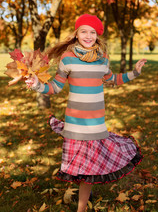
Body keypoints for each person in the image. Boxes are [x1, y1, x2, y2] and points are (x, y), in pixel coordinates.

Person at [25, 14, 147, 212]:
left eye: (92, 32)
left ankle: (81, 208)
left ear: (97, 36)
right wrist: (37, 85)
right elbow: (55, 87)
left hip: (96, 122)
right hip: (75, 121)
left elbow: (113, 79)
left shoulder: (102, 59)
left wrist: (135, 72)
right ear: (77, 33)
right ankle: (84, 189)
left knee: (88, 169)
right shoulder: (67, 58)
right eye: (84, 31)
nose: (88, 35)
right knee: (80, 166)